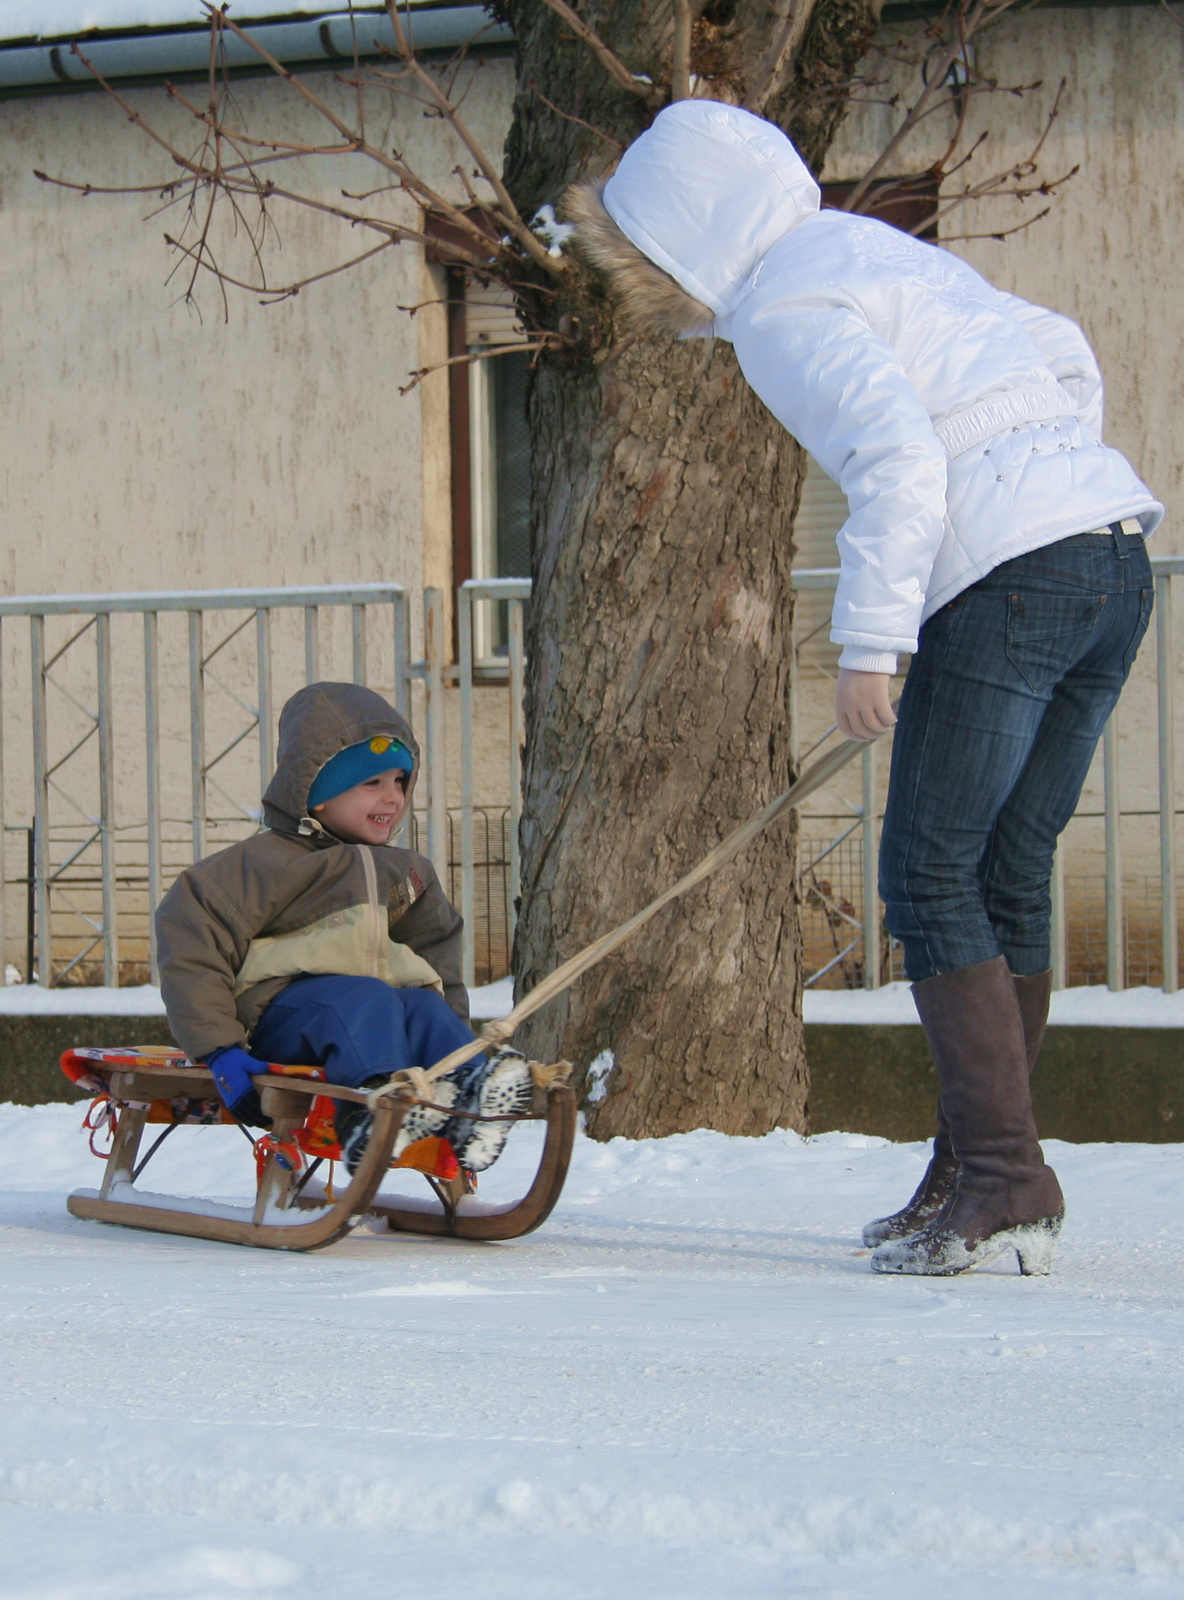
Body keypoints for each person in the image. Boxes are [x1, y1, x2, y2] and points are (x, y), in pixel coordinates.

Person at [565, 99, 1161, 1276]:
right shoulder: (871, 248)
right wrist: (1052, 482)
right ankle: (979, 1163)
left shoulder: (782, 307)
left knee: (930, 873)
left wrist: (870, 643)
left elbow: (895, 456)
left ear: (681, 242)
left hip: (1014, 580)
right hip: (1108, 555)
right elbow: (1059, 344)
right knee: (1004, 869)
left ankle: (999, 1171)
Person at [156, 681, 532, 1174]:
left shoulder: (406, 870)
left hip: (376, 1019)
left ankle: (468, 1095)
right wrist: (220, 1049)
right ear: (315, 795)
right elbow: (191, 939)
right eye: (371, 783)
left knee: (421, 1002)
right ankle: (370, 1113)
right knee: (362, 998)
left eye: (400, 781)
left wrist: (447, 1032)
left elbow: (436, 951)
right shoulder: (263, 863)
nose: (393, 798)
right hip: (285, 1019)